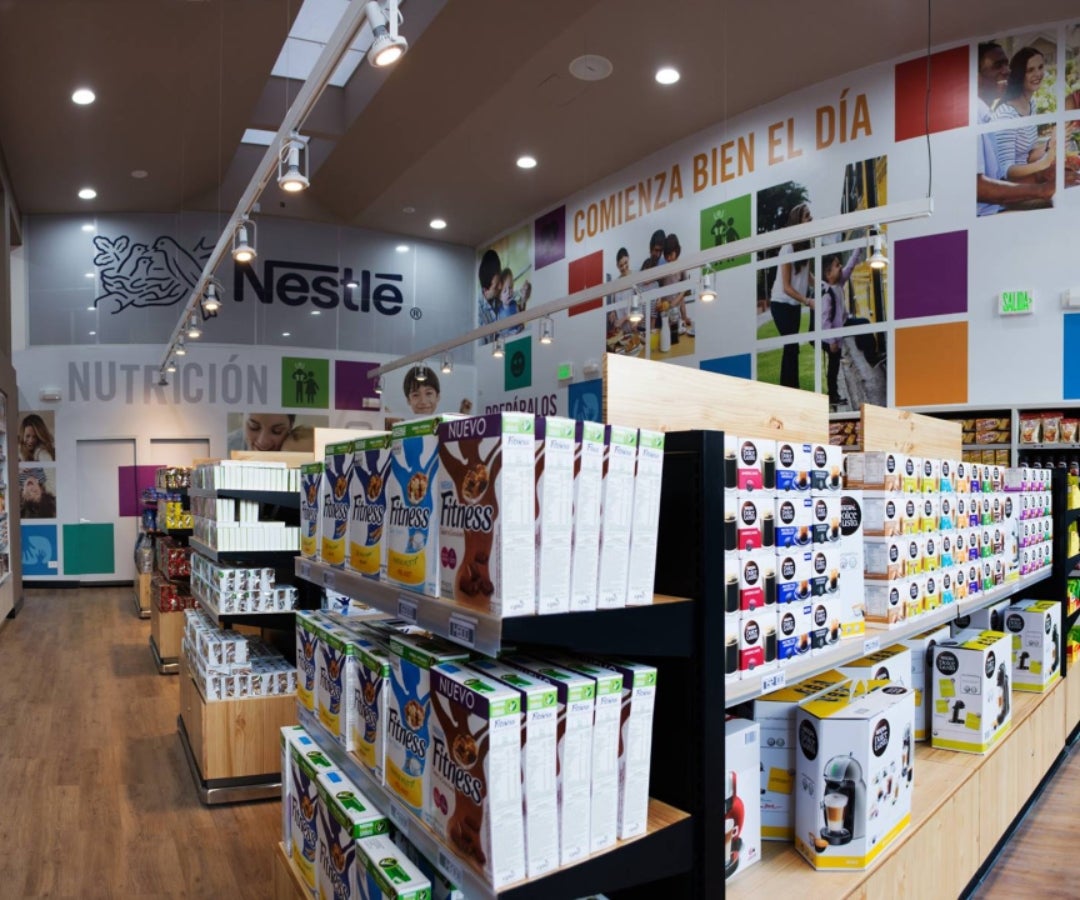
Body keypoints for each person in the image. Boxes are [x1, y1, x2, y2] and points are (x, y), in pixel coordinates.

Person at [769, 202, 815, 388]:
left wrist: (824, 285)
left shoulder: (806, 246)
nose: (811, 218)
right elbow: (786, 287)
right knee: (791, 347)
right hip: (781, 305)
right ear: (798, 221)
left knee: (793, 349)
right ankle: (789, 388)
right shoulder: (787, 248)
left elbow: (807, 277)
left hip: (794, 306)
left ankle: (792, 387)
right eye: (807, 216)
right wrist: (807, 301)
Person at [991, 48, 1055, 182]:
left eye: (1040, 67)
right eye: (1030, 70)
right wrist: (1044, 163)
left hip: (1029, 179)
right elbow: (1006, 171)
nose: (1038, 74)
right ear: (1019, 75)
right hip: (1013, 187)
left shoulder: (1031, 103)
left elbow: (1027, 155)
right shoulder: (1006, 115)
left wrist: (1051, 144)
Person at [820, 247, 864, 407]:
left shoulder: (839, 282)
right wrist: (832, 341)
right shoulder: (827, 295)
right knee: (833, 368)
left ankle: (872, 356)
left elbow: (850, 266)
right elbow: (825, 322)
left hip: (842, 327)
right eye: (837, 265)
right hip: (831, 338)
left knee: (863, 323)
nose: (841, 267)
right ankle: (833, 396)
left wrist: (858, 249)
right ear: (828, 274)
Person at [656, 233, 693, 336]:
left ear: (676, 251)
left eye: (671, 255)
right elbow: (659, 288)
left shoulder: (682, 267)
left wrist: (684, 316)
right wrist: (659, 301)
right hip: (664, 311)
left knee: (677, 334)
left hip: (675, 310)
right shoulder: (663, 267)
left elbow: (684, 291)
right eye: (666, 255)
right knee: (665, 334)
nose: (668, 258)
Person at [227, 412, 298, 453]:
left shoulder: (300, 449)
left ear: (291, 426)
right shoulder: (226, 447)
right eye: (253, 427)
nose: (263, 442)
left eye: (277, 431)